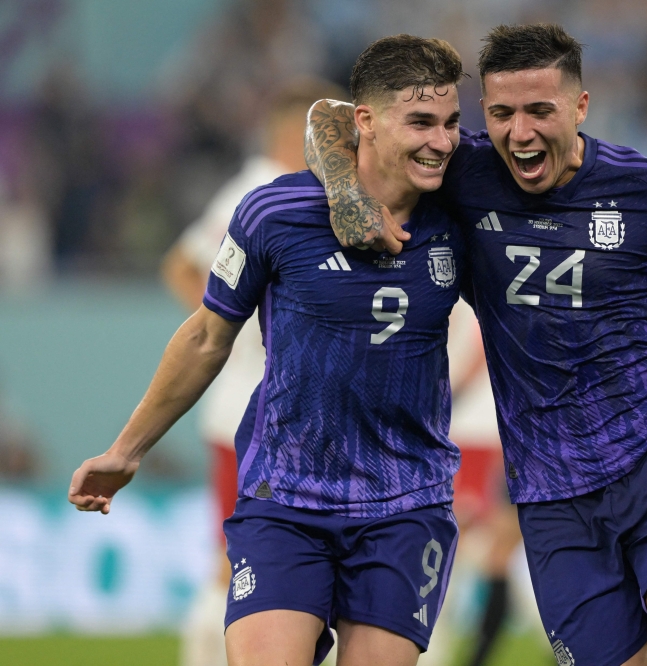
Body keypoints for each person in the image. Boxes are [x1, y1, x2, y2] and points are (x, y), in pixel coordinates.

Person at [68, 34, 647, 666]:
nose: (442, 142)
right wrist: (127, 449)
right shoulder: (274, 213)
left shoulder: (463, 218)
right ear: (366, 123)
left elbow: (545, 306)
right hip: (285, 496)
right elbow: (207, 336)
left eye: (450, 123)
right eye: (420, 123)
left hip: (406, 506)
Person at [305, 23, 647, 666]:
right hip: (552, 493)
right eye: (502, 114)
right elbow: (332, 116)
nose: (520, 133)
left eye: (540, 111)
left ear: (581, 106)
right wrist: (345, 195)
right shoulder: (464, 172)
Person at [161, 78, 344, 666]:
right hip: (250, 407)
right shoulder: (260, 190)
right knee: (238, 557)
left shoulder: (283, 191)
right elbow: (181, 266)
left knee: (262, 557)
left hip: (273, 409)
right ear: (302, 134)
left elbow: (184, 263)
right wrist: (229, 325)